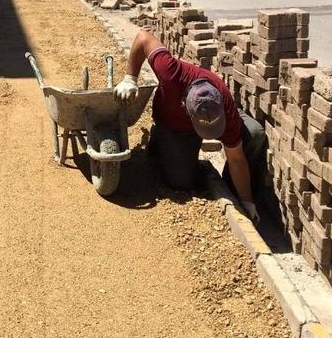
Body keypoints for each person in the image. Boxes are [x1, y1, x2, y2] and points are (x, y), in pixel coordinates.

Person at [114, 30, 266, 223]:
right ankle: (159, 140)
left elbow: (236, 159)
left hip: (208, 116)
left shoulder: (226, 109)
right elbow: (143, 37)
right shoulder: (170, 73)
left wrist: (246, 201)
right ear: (184, 106)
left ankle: (230, 187)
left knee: (254, 133)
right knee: (181, 183)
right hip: (173, 125)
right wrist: (130, 78)